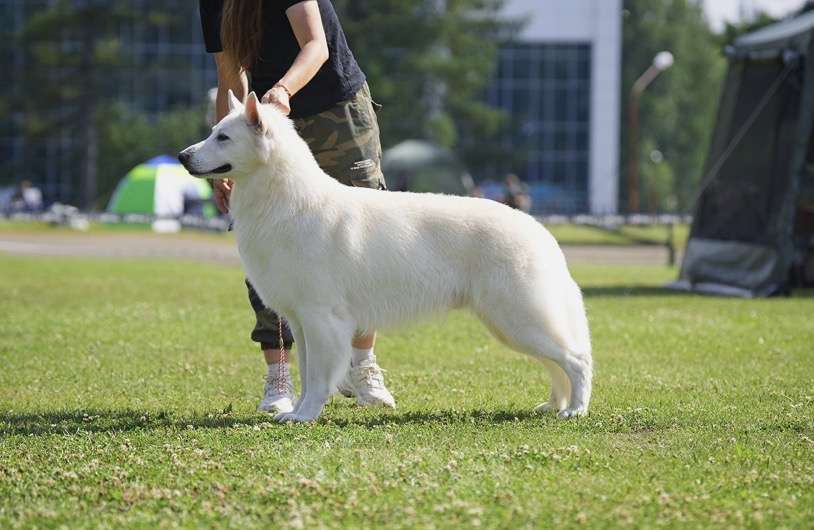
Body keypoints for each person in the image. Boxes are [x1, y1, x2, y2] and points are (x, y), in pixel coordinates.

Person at [199, 0, 395, 413]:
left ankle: (363, 365)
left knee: (363, 236)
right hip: (258, 125)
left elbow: (315, 45)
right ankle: (279, 377)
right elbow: (229, 73)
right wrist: (223, 164)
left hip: (334, 109)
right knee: (266, 244)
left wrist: (284, 90)